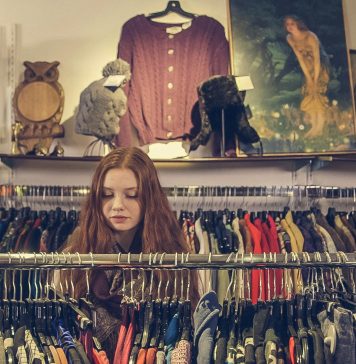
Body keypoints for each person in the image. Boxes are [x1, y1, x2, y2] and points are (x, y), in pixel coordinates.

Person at [61, 147, 199, 360]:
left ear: (149, 199)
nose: (117, 206)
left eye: (131, 195)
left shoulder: (173, 261)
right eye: (107, 195)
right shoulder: (76, 259)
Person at [284, 15, 330, 138]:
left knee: (318, 95)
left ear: (298, 23)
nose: (289, 27)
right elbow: (300, 58)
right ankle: (314, 127)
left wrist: (315, 79)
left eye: (292, 24)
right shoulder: (290, 38)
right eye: (287, 24)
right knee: (309, 94)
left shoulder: (310, 36)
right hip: (307, 68)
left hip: (319, 67)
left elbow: (317, 59)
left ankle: (319, 127)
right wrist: (308, 78)